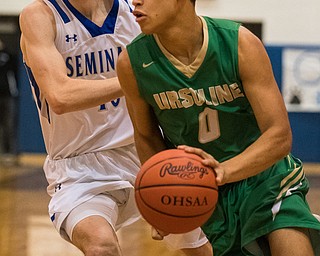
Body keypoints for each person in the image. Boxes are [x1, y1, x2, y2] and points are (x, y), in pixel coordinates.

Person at [116, 0, 320, 255]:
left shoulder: (239, 44)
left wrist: (223, 170)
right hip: (206, 193)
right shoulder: (131, 63)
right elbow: (146, 136)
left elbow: (278, 135)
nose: (135, 1)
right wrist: (159, 197)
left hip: (265, 178)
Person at [19, 0, 212, 255]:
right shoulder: (40, 15)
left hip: (146, 152)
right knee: (101, 246)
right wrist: (135, 79)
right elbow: (61, 96)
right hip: (80, 168)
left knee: (205, 250)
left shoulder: (135, 11)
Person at [0, 38, 19, 165]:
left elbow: (15, 72)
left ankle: (11, 153)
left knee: (9, 125)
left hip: (8, 95)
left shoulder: (9, 55)